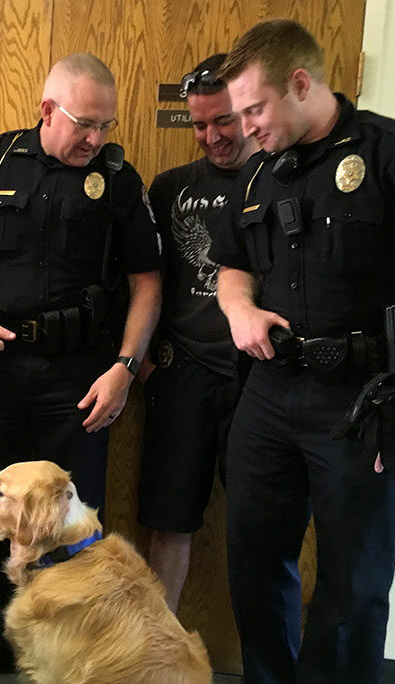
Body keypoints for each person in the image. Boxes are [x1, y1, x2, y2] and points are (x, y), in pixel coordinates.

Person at [209, 19, 395, 684]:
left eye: (254, 109)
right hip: (270, 397)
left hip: (366, 402)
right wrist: (239, 309)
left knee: (353, 584)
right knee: (253, 563)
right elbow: (230, 269)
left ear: (301, 84)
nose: (244, 127)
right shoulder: (257, 177)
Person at [0, 53, 161, 682]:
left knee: (76, 529)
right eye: (85, 123)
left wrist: (125, 370)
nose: (96, 139)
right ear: (47, 110)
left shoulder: (119, 179)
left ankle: (75, 648)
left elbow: (147, 282)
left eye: (106, 126)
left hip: (83, 379)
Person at [137, 53, 259, 614]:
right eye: (199, 124)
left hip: (261, 382)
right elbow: (141, 280)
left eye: (224, 121)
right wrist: (139, 357)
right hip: (181, 376)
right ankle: (154, 661)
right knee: (168, 525)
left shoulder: (284, 178)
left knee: (260, 531)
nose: (211, 136)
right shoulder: (171, 188)